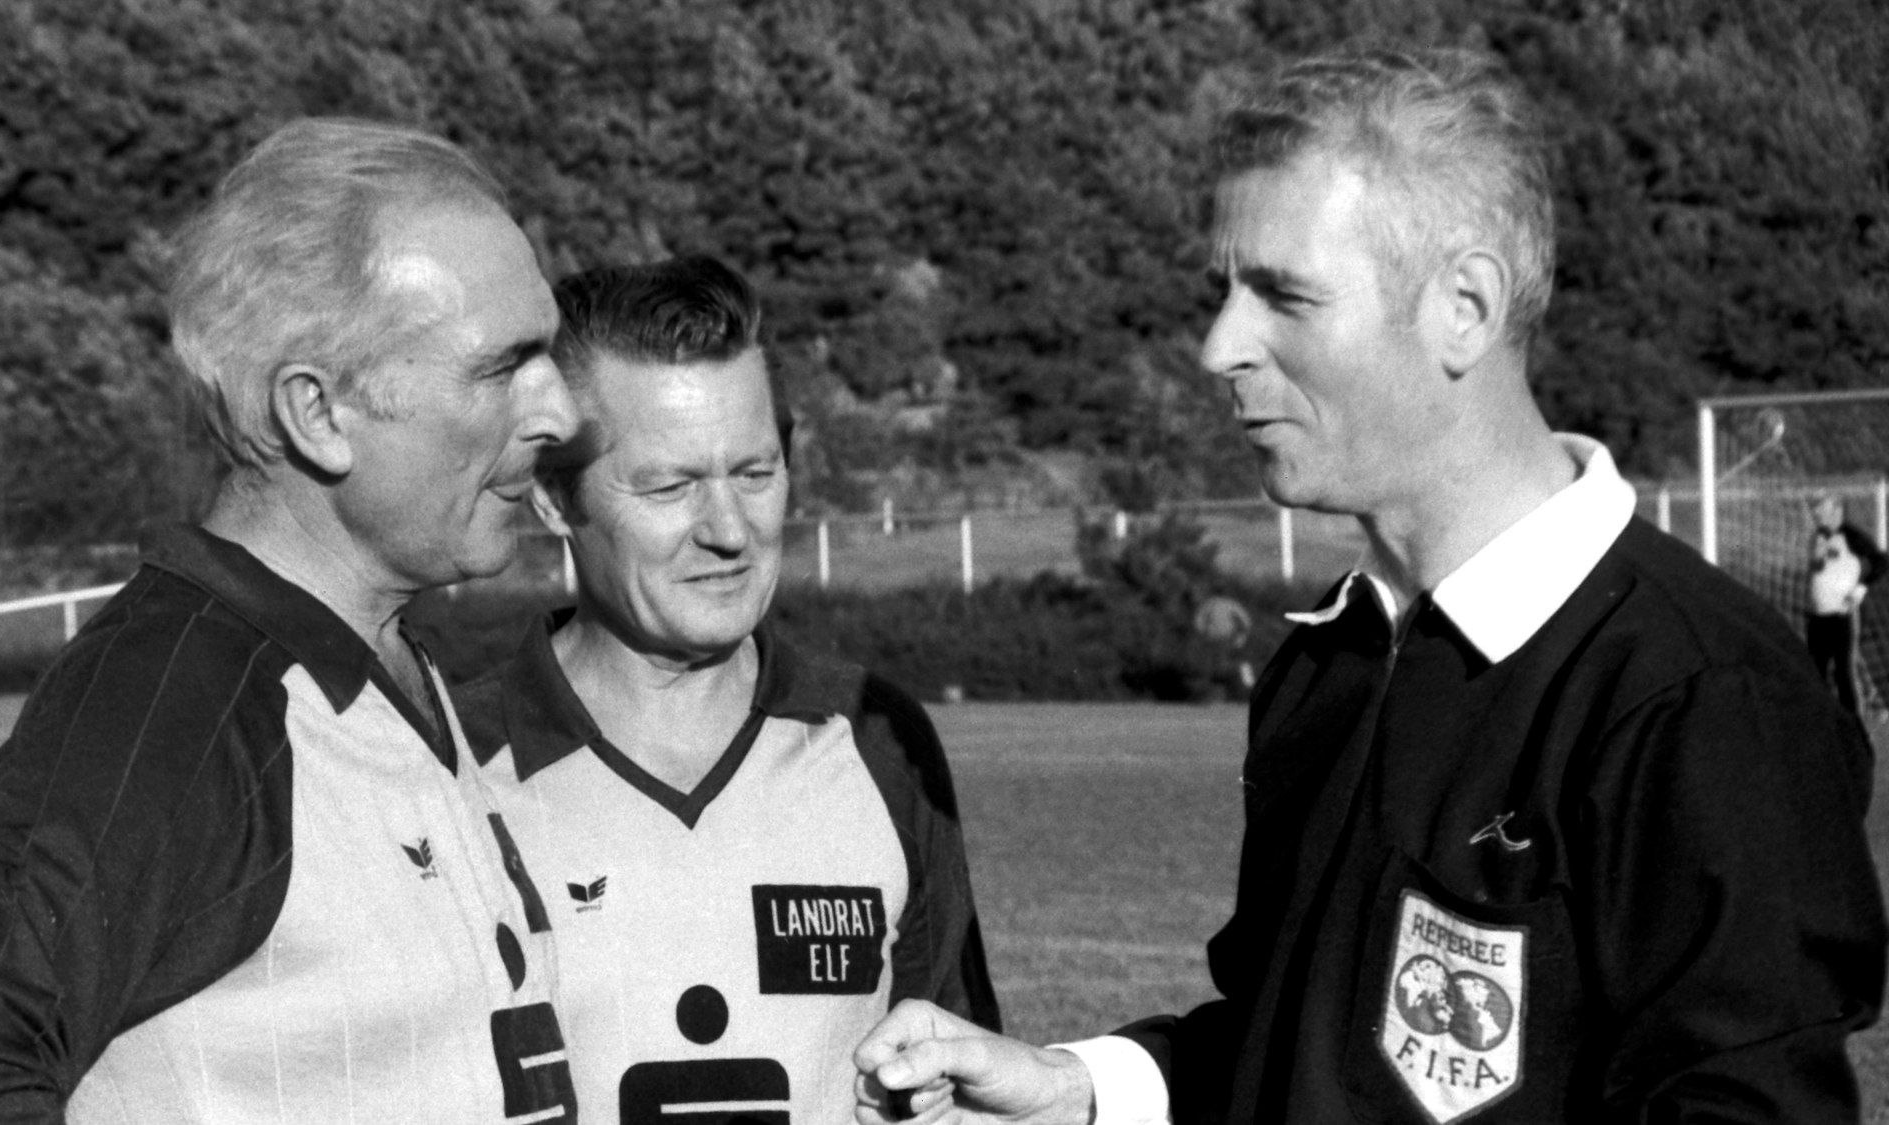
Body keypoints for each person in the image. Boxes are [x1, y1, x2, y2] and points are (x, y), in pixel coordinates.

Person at [854, 45, 1886, 1125]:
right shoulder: (1327, 660)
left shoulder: (1699, 697)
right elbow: (1296, 1050)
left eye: (1283, 295)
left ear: (1464, 307)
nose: (1218, 346)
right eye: (1223, 292)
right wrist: (1076, 1087)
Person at [0, 118, 587, 1122]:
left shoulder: (387, 661)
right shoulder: (174, 702)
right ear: (318, 413)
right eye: (500, 368)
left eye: (547, 354)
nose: (558, 412)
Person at [453, 255, 1000, 1125]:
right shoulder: (450, 768)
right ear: (555, 498)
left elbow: (964, 1081)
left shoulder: (876, 738)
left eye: (755, 472)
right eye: (670, 485)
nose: (729, 530)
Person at [1806, 492, 1885, 714]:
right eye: (1815, 513)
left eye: (1821, 511)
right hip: (1816, 617)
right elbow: (1818, 570)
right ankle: (1821, 720)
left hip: (1842, 616)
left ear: (1837, 510)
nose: (1817, 516)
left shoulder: (1852, 536)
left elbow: (1881, 561)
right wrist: (1818, 556)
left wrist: (1859, 590)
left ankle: (1854, 721)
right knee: (1815, 671)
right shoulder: (1818, 536)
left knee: (1844, 673)